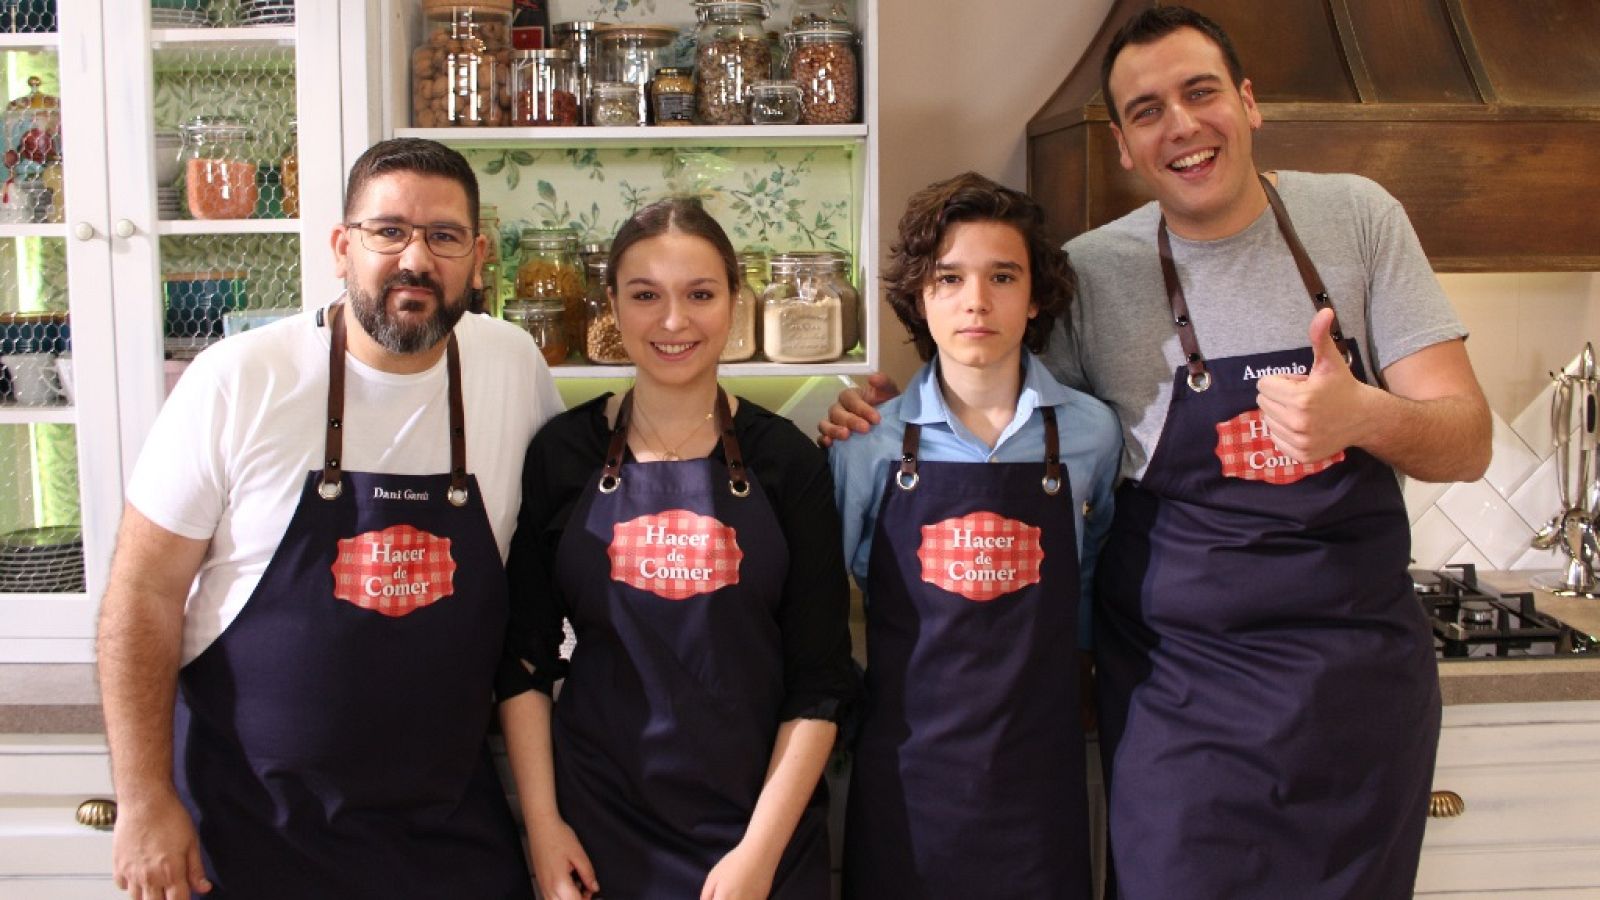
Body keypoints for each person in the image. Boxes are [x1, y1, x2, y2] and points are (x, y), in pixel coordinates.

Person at [821, 7, 1492, 898]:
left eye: (1200, 92)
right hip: (1177, 703)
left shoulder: (1357, 219)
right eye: (1146, 111)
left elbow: (1467, 440)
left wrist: (1364, 416)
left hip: (1354, 692)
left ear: (1248, 102)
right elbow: (1005, 422)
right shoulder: (1094, 272)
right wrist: (879, 414)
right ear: (1125, 147)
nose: (1180, 125)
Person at [96, 137, 563, 899]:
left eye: (444, 236)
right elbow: (142, 593)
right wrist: (144, 799)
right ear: (343, 246)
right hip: (248, 830)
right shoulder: (240, 378)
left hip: (443, 832)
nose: (415, 259)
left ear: (478, 257)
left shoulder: (512, 365)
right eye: (389, 231)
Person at [496, 198, 857, 900]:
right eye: (645, 296)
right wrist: (544, 828)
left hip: (761, 834)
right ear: (611, 305)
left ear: (735, 302)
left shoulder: (786, 460)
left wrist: (758, 858)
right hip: (598, 836)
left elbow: (821, 681)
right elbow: (524, 660)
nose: (672, 321)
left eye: (699, 294)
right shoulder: (562, 454)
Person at [829, 172, 1121, 899]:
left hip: (1038, 777)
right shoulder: (869, 441)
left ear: (1036, 296)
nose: (977, 302)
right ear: (919, 296)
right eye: (950, 277)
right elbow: (821, 598)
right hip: (907, 773)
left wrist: (1086, 665)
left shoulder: (1091, 433)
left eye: (1003, 276)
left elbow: (1092, 572)